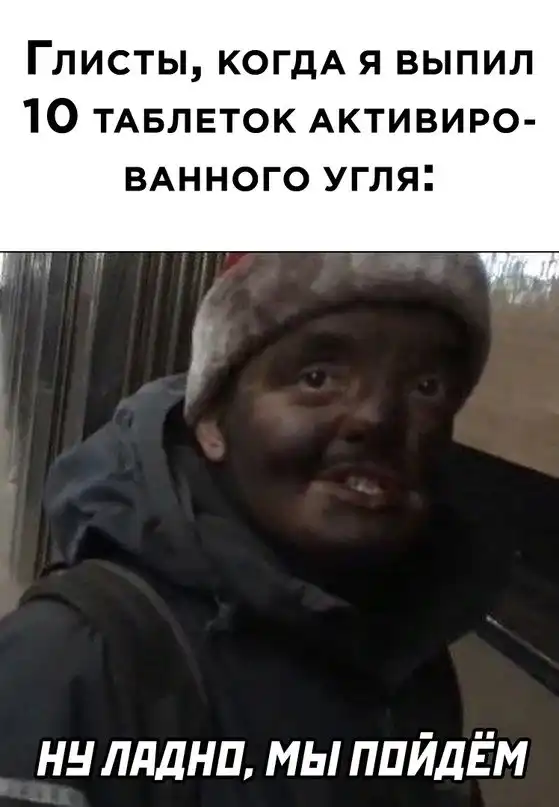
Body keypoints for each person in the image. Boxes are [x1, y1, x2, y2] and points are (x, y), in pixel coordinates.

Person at [0, 253, 510, 806]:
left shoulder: (413, 660)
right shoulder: (71, 662)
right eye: (318, 378)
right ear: (213, 420)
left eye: (427, 386)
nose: (378, 418)